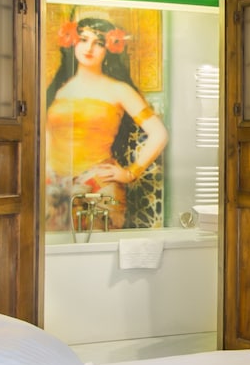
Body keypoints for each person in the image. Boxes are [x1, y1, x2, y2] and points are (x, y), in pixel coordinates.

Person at [45, 16, 169, 231]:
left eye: (99, 43)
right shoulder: (58, 89)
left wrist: (130, 173)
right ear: (72, 42)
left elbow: (159, 134)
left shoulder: (119, 90)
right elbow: (47, 136)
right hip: (52, 185)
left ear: (109, 49)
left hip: (97, 183)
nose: (89, 48)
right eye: (83, 39)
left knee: (97, 247)